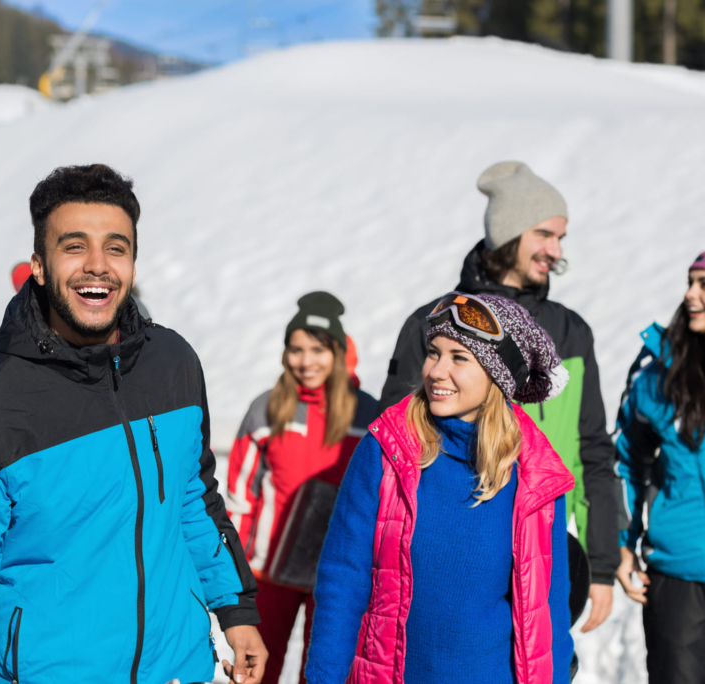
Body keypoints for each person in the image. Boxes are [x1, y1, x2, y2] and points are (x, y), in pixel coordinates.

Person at [0, 164, 267, 684]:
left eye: (116, 248)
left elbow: (192, 496)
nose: (97, 266)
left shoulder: (173, 363)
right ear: (39, 264)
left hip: (178, 669)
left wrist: (235, 610)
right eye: (74, 246)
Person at [378, 161, 618, 631]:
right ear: (509, 233)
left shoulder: (570, 333)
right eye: (545, 234)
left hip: (543, 545)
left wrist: (603, 563)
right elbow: (393, 443)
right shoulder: (432, 323)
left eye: (560, 238)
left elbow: (592, 449)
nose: (555, 249)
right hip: (446, 546)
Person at [306, 292, 574, 684]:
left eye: (459, 358)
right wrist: (324, 677)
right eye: (434, 352)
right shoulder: (386, 451)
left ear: (497, 375)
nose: (436, 371)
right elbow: (344, 578)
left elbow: (548, 607)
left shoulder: (535, 475)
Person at [226, 292, 378, 684]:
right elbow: (242, 498)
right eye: (296, 349)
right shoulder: (267, 408)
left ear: (339, 353)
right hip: (266, 573)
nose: (306, 361)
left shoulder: (367, 414)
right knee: (255, 671)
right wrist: (235, 574)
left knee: (325, 673)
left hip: (335, 578)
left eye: (317, 349)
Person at [616, 246, 705, 684]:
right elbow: (625, 463)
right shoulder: (658, 379)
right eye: (690, 282)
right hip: (679, 569)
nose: (690, 295)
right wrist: (622, 545)